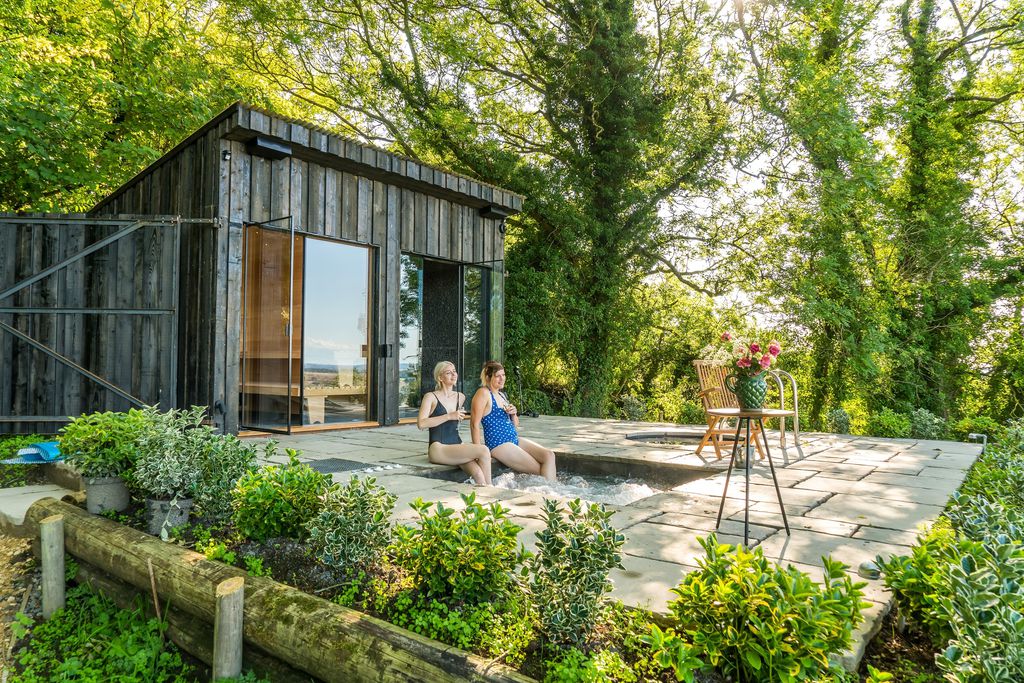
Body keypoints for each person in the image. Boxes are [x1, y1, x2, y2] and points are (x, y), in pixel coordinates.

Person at [470, 360, 556, 480]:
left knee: (549, 455)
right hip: (499, 444)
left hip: (513, 439)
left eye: (503, 375)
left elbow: (515, 425)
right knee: (538, 470)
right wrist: (478, 453)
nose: (502, 379)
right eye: (498, 376)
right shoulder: (483, 393)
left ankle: (554, 489)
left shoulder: (502, 395)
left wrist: (513, 414)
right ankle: (551, 492)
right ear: (488, 377)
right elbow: (474, 424)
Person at [417, 361, 492, 485]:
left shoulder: (460, 397)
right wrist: (449, 416)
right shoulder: (430, 397)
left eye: (454, 371)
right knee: (483, 450)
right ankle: (492, 490)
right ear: (440, 378)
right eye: (448, 372)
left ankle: (486, 493)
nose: (453, 374)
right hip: (438, 448)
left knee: (478, 473)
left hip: (456, 444)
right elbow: (421, 424)